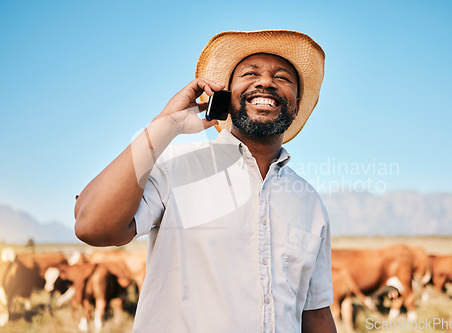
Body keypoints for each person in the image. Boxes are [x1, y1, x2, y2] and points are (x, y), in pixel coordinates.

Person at [75, 30, 336, 333]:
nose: (265, 82)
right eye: (250, 73)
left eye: (282, 78)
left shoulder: (309, 200)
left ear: (296, 104)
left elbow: (315, 313)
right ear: (225, 95)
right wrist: (165, 126)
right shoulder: (174, 169)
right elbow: (91, 226)